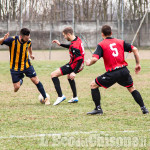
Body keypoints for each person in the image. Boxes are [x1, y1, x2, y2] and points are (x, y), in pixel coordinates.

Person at [86, 25, 149, 115]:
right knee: (131, 88)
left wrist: (89, 63)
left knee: (93, 85)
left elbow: (95, 59)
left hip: (113, 73)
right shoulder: (120, 42)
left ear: (102, 34)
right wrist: (138, 64)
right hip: (124, 71)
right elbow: (135, 49)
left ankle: (98, 109)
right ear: (111, 33)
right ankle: (144, 109)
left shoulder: (101, 44)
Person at [0, 28, 50, 105]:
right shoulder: (12, 40)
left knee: (36, 80)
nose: (28, 39)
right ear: (21, 36)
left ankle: (45, 98)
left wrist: (31, 54)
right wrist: (3, 38)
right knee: (16, 88)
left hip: (27, 65)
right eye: (26, 37)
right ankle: (21, 80)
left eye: (29, 36)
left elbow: (29, 46)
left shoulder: (28, 41)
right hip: (15, 67)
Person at [51, 27, 85, 105]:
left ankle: (60, 96)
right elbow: (71, 46)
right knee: (69, 77)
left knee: (53, 75)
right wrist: (60, 44)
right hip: (75, 63)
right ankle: (75, 97)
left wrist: (74, 72)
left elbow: (79, 59)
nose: (64, 37)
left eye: (64, 36)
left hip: (75, 65)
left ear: (68, 34)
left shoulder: (75, 46)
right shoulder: (77, 39)